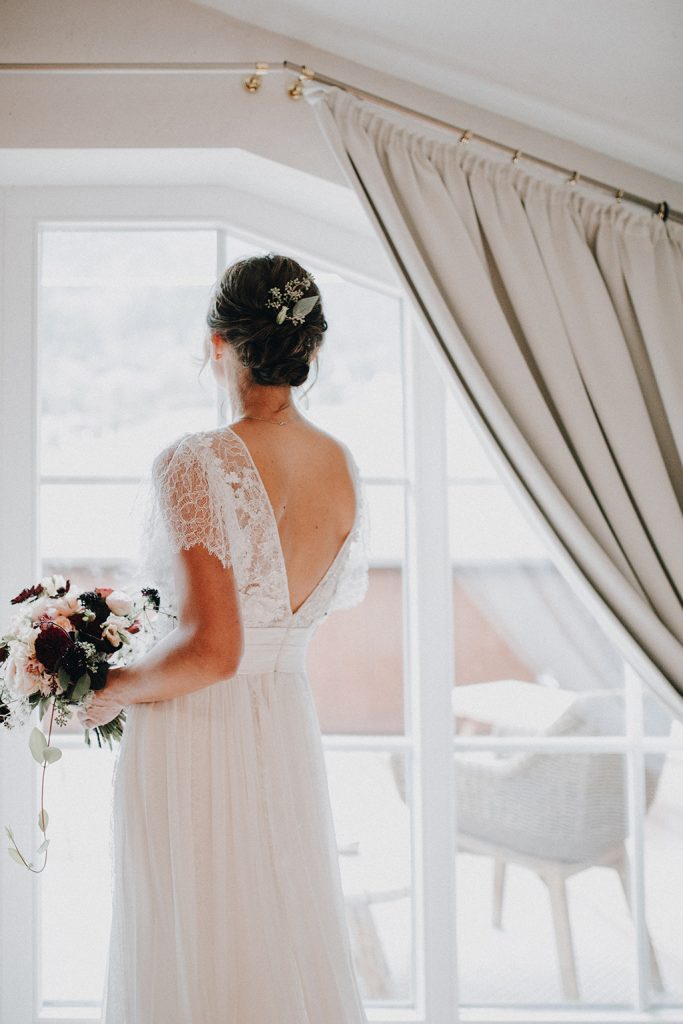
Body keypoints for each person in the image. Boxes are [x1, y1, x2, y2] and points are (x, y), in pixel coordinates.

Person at [78, 253, 371, 1023]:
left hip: (200, 733)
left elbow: (213, 650)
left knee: (198, 933)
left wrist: (111, 687)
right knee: (275, 923)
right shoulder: (339, 464)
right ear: (311, 346)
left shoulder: (196, 460)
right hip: (282, 724)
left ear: (218, 343)